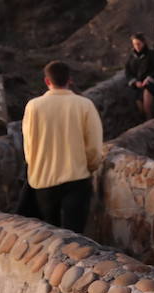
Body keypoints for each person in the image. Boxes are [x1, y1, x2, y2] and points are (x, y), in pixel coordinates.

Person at [21, 60, 103, 234]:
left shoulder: (33, 107)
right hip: (76, 178)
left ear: (47, 81)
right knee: (76, 237)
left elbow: (28, 145)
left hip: (43, 181)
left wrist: (35, 166)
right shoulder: (84, 105)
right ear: (69, 80)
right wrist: (91, 166)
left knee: (50, 235)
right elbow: (94, 146)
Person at [124, 33, 154, 119]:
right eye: (134, 44)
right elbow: (128, 72)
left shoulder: (151, 54)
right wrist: (134, 81)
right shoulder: (131, 57)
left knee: (147, 108)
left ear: (143, 43)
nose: (136, 46)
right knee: (140, 110)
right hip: (137, 85)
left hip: (149, 84)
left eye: (138, 44)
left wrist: (148, 79)